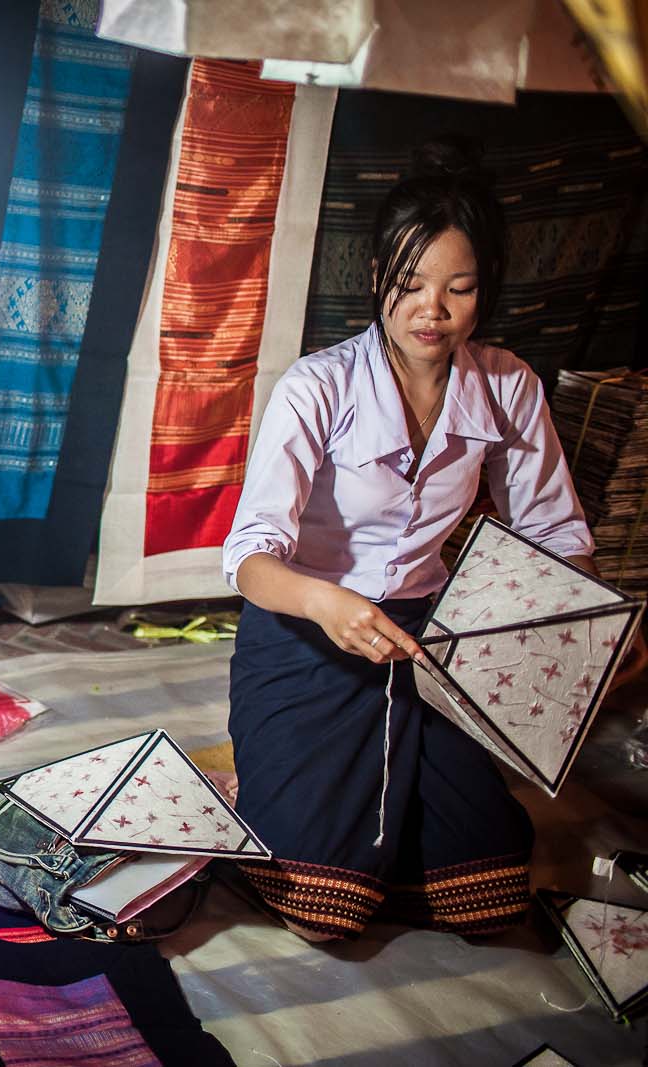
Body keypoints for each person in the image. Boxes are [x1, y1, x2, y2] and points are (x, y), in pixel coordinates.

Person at [222, 139, 635, 941]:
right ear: (377, 276)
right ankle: (284, 784)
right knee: (323, 910)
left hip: (430, 639)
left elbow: (553, 531)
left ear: (485, 294)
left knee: (486, 897)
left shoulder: (509, 384)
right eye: (410, 285)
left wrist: (598, 622)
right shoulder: (318, 387)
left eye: (459, 288)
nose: (431, 311)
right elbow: (251, 556)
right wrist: (325, 601)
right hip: (307, 629)